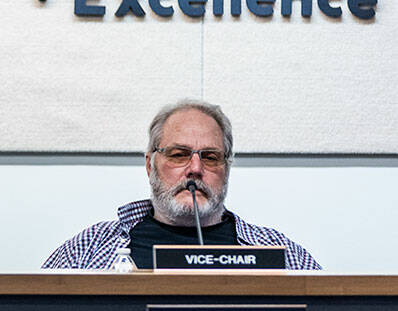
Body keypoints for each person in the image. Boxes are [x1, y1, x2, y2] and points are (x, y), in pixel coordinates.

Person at [43, 100, 319, 270]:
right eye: (179, 155)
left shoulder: (279, 253)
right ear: (150, 164)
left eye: (210, 157)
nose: (195, 169)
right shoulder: (89, 248)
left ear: (227, 168)